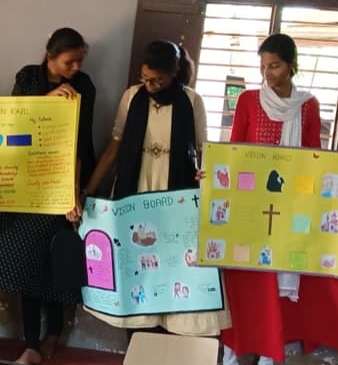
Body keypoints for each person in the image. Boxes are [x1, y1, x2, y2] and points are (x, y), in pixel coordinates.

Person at [217, 34, 338, 365]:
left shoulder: (307, 107)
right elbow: (235, 150)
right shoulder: (249, 100)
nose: (268, 74)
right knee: (243, 289)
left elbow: (312, 158)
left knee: (276, 291)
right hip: (250, 209)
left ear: (292, 65)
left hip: (289, 212)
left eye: (275, 66)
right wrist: (215, 175)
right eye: (263, 66)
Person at [77, 40, 229, 336]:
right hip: (135, 187)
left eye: (157, 80)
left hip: (175, 191)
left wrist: (209, 181)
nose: (150, 85)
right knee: (134, 260)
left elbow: (202, 149)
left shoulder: (191, 101)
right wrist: (88, 190)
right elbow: (115, 146)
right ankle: (136, 334)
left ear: (174, 75)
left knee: (171, 258)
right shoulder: (132, 97)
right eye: (145, 78)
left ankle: (167, 333)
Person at [0, 27, 96, 365]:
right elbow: (11, 120)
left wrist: (74, 193)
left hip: (61, 183)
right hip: (27, 184)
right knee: (27, 263)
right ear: (50, 56)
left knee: (54, 262)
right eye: (69, 62)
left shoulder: (84, 87)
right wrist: (47, 102)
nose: (75, 69)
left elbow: (80, 142)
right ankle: (30, 343)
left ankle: (52, 336)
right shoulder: (29, 77)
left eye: (79, 62)